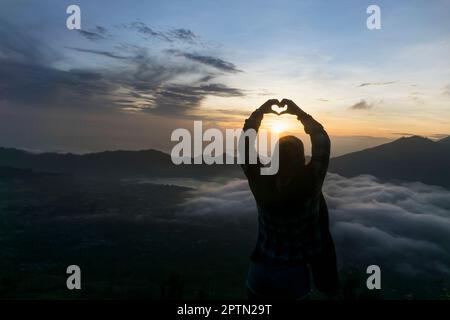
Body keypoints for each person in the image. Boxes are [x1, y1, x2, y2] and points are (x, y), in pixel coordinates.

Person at [241, 99, 339, 300]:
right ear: (302, 159)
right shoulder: (310, 184)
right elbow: (322, 141)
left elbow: (246, 145)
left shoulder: (260, 179)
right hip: (293, 275)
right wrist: (298, 112)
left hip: (260, 271)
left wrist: (260, 113)